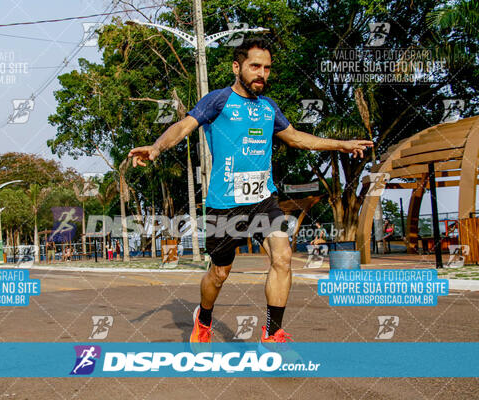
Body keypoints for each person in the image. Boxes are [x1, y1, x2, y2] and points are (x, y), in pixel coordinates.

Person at [128, 37, 373, 347]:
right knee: (219, 274)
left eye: (267, 68)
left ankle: (272, 333)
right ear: (237, 67)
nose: (262, 74)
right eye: (255, 66)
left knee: (282, 258)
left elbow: (296, 138)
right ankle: (203, 318)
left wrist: (342, 144)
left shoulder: (269, 108)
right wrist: (157, 147)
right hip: (224, 205)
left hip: (263, 200)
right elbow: (183, 127)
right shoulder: (217, 101)